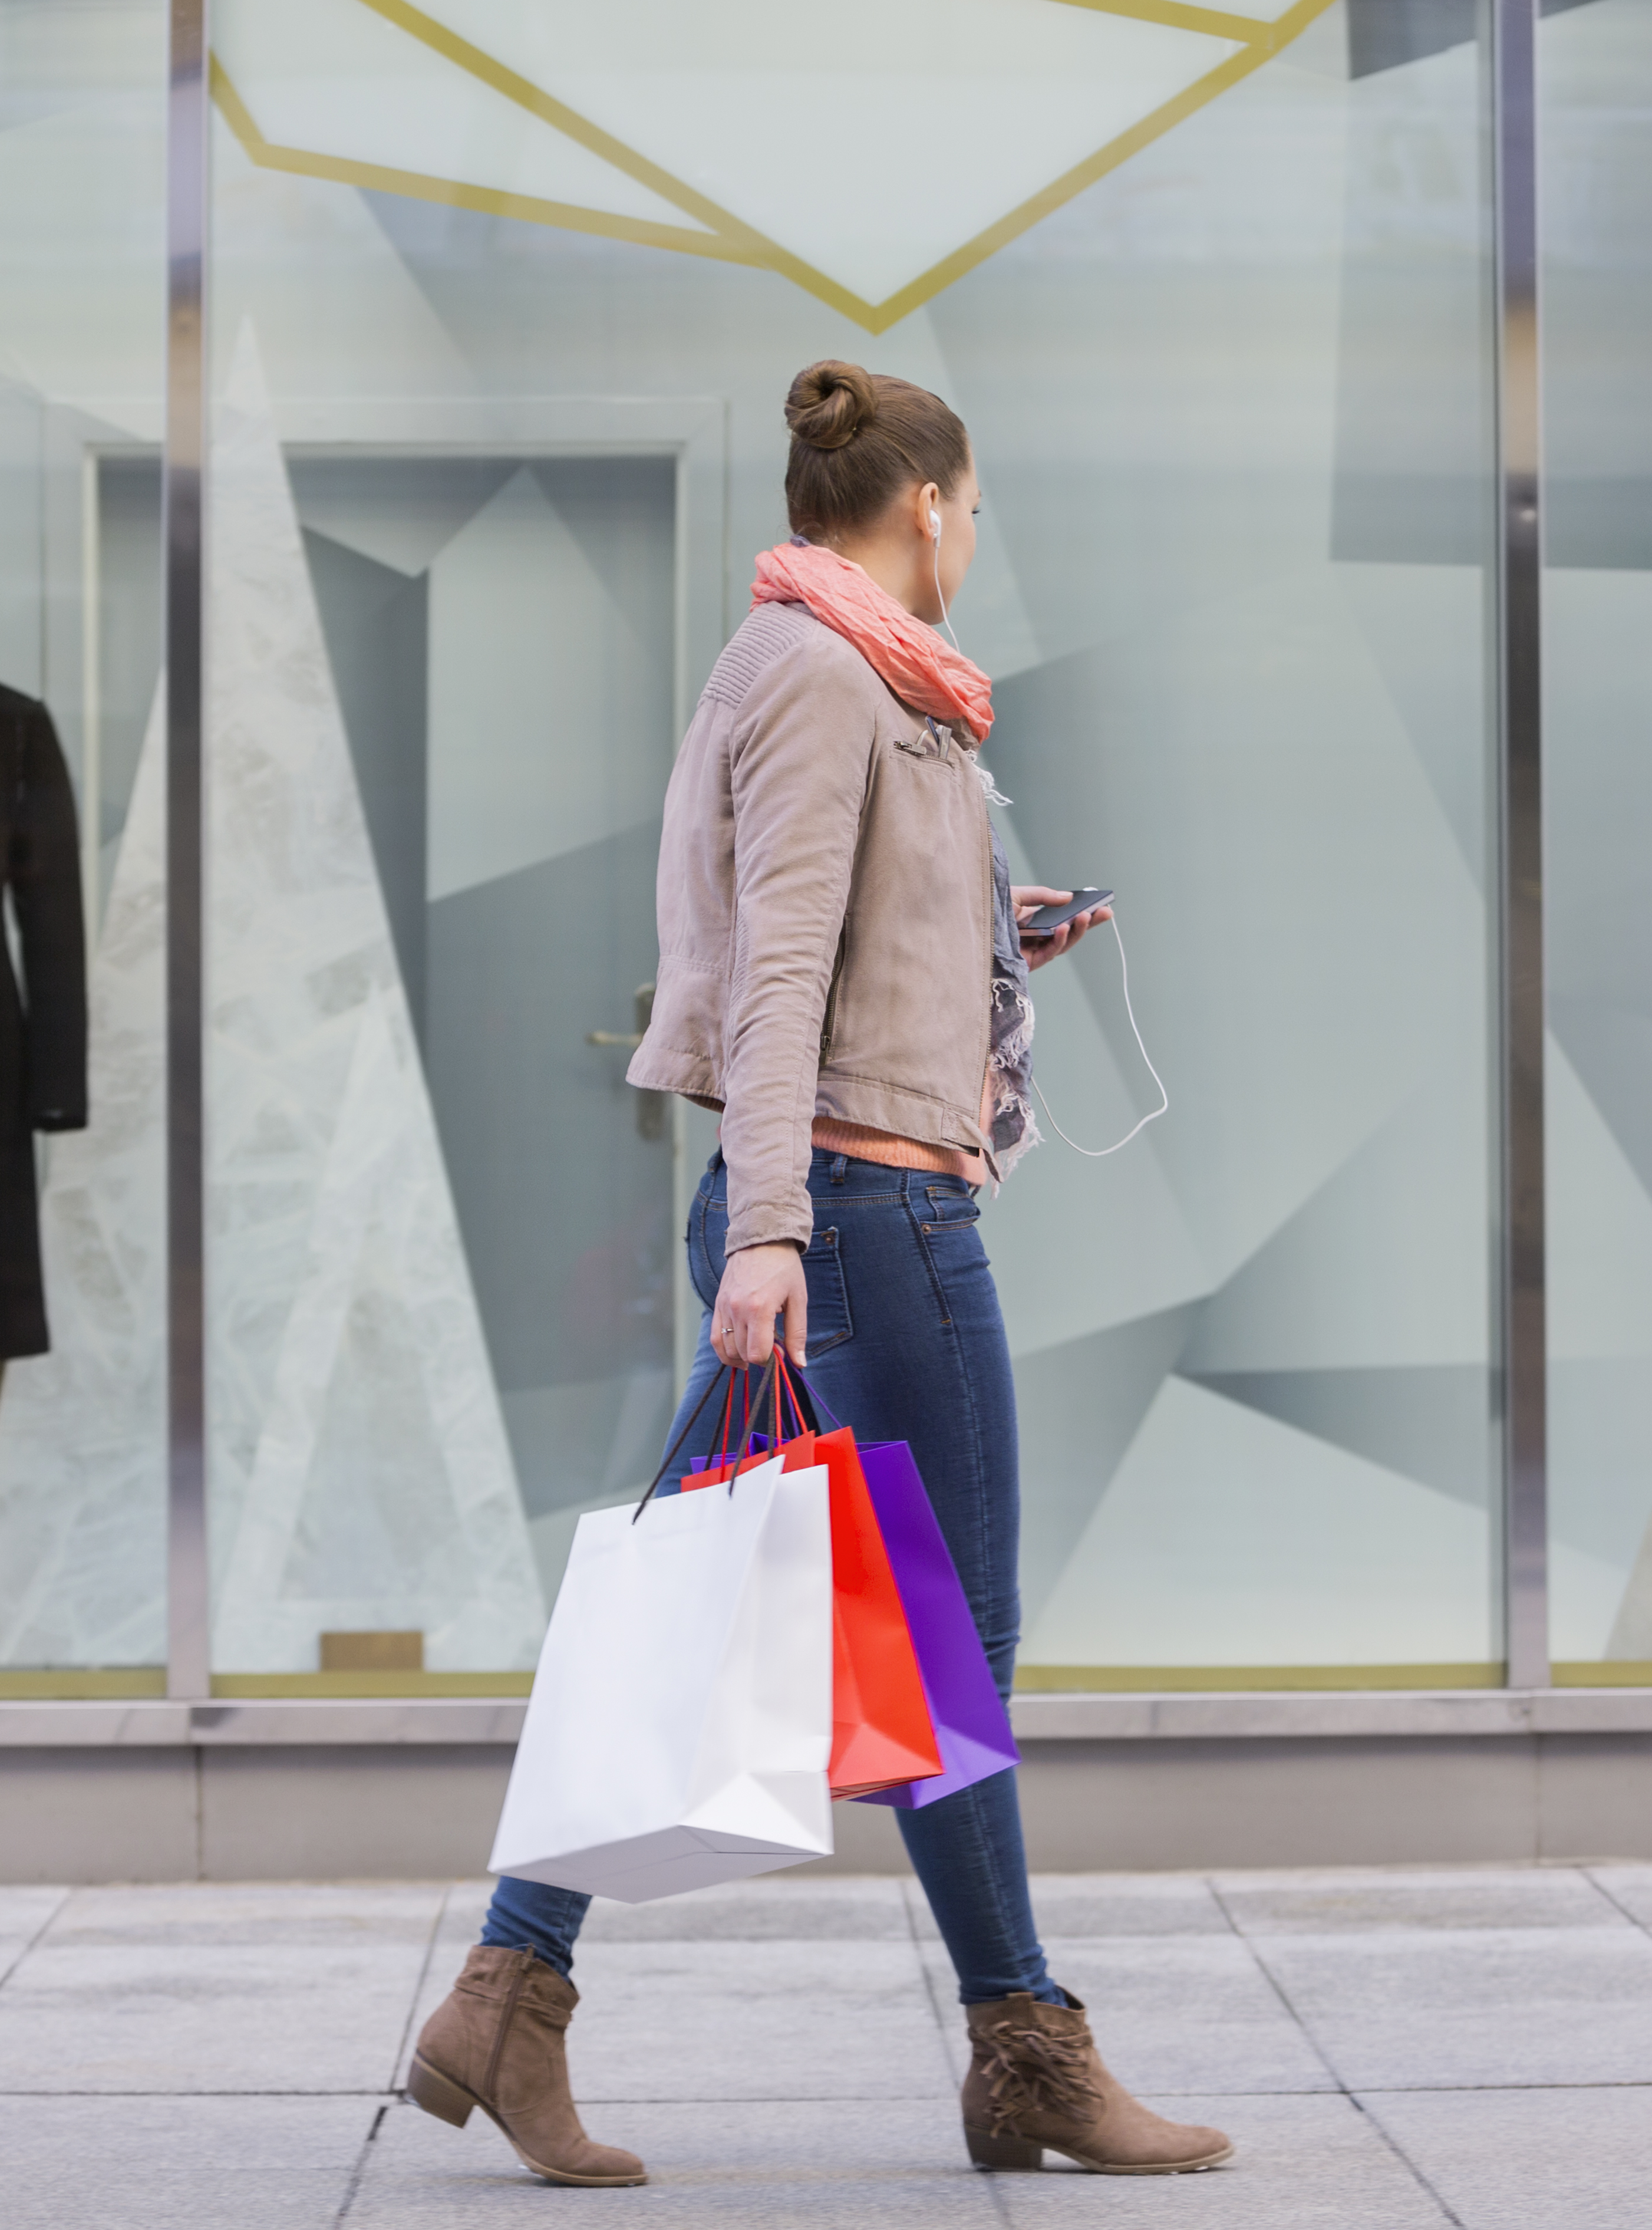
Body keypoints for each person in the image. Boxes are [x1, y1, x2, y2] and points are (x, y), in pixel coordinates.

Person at [404, 360, 1229, 2189]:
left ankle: (508, 1993)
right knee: (956, 1651)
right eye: (976, 508)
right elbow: (776, 976)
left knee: (714, 1616)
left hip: (836, 1217)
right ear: (927, 504)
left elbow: (825, 938)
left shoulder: (847, 674)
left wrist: (987, 934)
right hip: (863, 1226)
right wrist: (768, 1230)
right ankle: (1026, 2046)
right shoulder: (824, 675)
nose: (977, 539)